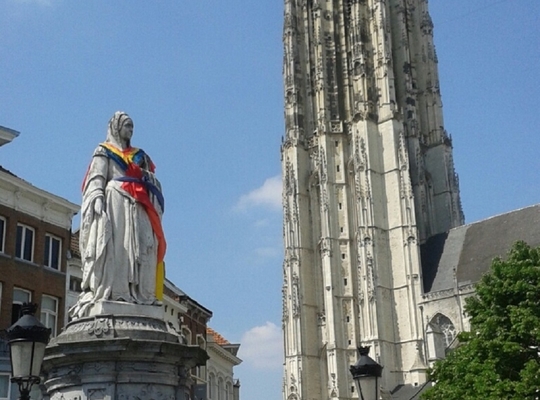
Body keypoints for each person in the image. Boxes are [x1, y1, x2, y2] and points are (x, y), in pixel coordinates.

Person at [70, 111, 166, 319]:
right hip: (116, 204)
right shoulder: (103, 151)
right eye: (127, 126)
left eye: (132, 126)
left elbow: (153, 182)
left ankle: (142, 293)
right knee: (119, 247)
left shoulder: (141, 156)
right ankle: (119, 291)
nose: (130, 130)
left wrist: (145, 177)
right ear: (116, 127)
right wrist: (96, 197)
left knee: (143, 246)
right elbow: (96, 178)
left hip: (139, 205)